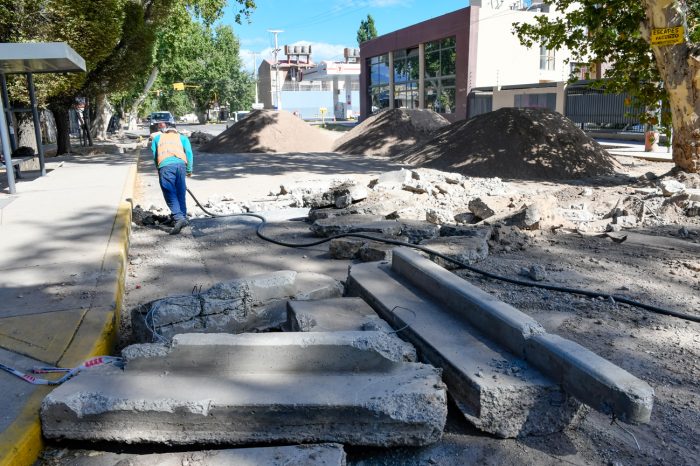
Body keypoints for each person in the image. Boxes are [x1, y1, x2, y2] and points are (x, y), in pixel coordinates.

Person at [151, 122, 194, 234]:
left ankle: (178, 217)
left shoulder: (157, 138)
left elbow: (155, 155)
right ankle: (182, 218)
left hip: (165, 165)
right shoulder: (182, 138)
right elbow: (189, 153)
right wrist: (189, 169)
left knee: (169, 192)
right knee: (180, 191)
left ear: (165, 130)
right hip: (181, 165)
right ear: (176, 130)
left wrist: (158, 168)